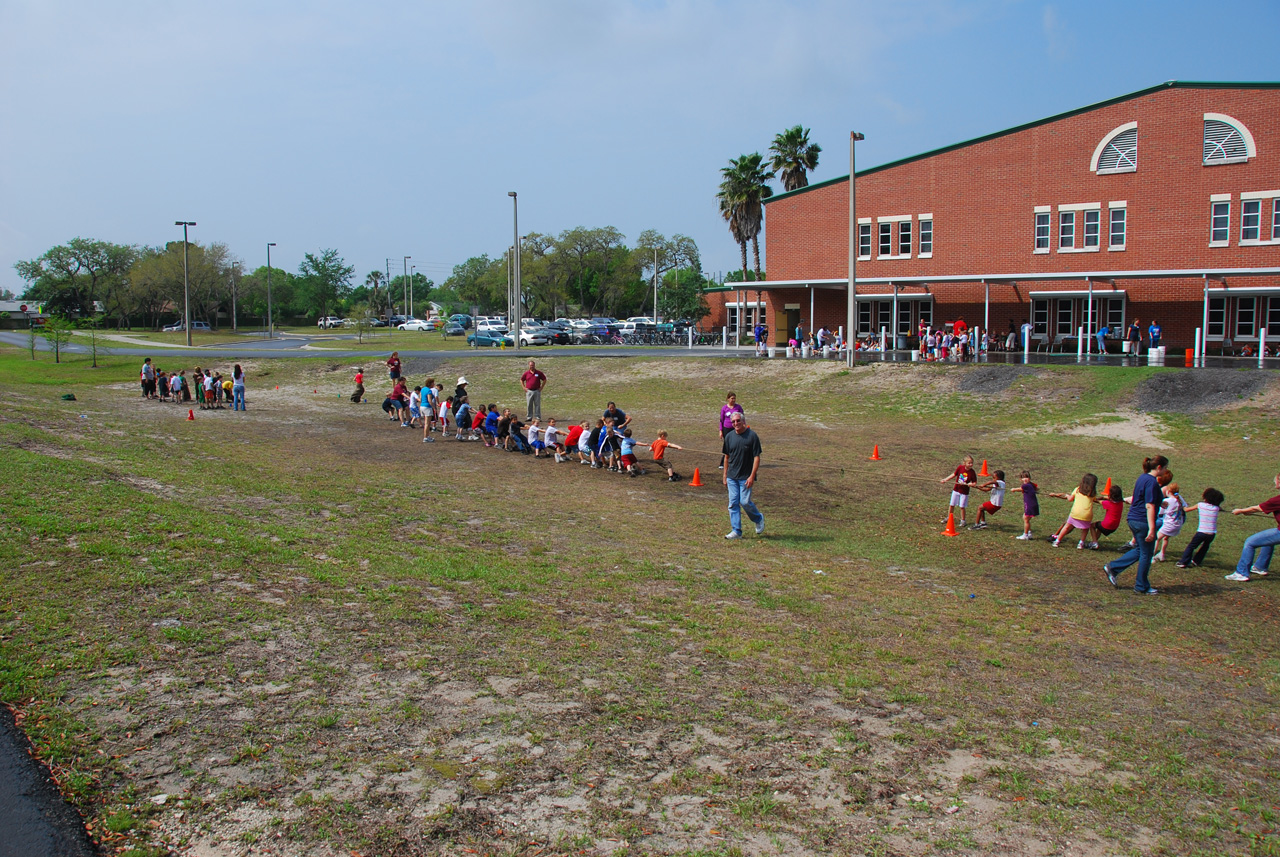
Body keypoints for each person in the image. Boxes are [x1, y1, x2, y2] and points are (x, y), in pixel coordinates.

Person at [1104, 455, 1169, 595]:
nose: (1166, 470)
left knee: (1141, 550)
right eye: (1165, 467)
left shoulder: (1143, 477)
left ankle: (1113, 567)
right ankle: (1141, 586)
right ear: (1159, 467)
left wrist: (1160, 502)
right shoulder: (1152, 482)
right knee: (1147, 554)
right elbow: (1149, 506)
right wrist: (1152, 529)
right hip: (1142, 521)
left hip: (1133, 519)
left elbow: (1141, 498)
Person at [1226, 474, 1280, 582]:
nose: (1275, 482)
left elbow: (1257, 508)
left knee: (1250, 542)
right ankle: (1260, 567)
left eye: (1276, 481)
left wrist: (1241, 511)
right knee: (1267, 539)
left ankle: (1241, 573)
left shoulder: (1277, 500)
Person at [721, 411, 763, 539]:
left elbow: (757, 458)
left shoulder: (752, 436)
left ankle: (758, 518)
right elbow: (726, 457)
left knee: (744, 502)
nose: (736, 423)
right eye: (733, 421)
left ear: (743, 421)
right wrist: (725, 475)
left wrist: (752, 476)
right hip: (732, 476)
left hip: (746, 476)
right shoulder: (729, 437)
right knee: (733, 503)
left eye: (738, 420)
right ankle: (736, 531)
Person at [1047, 474, 1101, 549]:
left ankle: (1057, 541)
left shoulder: (1077, 490)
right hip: (1087, 515)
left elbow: (1070, 499)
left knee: (1066, 527)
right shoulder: (1092, 494)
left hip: (1075, 513)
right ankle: (1081, 544)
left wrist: (1065, 495)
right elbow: (1095, 500)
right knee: (1085, 529)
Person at [1177, 487, 1223, 568]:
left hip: (1201, 532)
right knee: (1205, 546)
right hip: (1212, 533)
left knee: (1191, 546)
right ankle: (1196, 561)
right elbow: (1220, 508)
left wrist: (1182, 505)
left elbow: (1187, 510)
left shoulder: (1201, 505)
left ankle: (1183, 562)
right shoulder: (1216, 508)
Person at [939, 454, 978, 529]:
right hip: (956, 490)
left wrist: (971, 484)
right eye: (969, 463)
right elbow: (954, 474)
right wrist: (945, 479)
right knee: (952, 504)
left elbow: (975, 482)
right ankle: (949, 517)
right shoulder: (960, 468)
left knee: (962, 506)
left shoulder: (972, 472)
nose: (971, 464)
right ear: (964, 463)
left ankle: (963, 520)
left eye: (972, 463)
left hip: (964, 492)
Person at [1152, 481, 1187, 562]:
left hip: (1169, 524)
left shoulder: (1167, 501)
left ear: (1168, 491)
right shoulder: (1180, 499)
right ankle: (1162, 554)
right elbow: (1185, 506)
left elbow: (1160, 512)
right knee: (1166, 538)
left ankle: (1152, 556)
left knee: (1156, 538)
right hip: (1177, 524)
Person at [717, 393, 745, 470]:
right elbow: (721, 420)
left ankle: (736, 461)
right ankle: (723, 462)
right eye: (732, 398)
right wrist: (720, 430)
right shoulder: (724, 408)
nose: (733, 400)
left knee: (737, 444)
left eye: (734, 398)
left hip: (736, 428)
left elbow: (742, 417)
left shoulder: (738, 407)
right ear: (728, 399)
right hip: (727, 428)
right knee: (727, 445)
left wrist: (744, 426)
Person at [1010, 470, 1039, 540]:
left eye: (1027, 477)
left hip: (1030, 505)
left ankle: (1025, 535)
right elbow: (1036, 488)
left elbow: (1021, 488)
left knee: (1026, 519)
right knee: (1025, 518)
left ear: (1029, 478)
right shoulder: (1031, 485)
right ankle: (1029, 533)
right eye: (1023, 477)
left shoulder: (1026, 485)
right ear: (1020, 479)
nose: (1025, 479)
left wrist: (1014, 489)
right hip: (1032, 504)